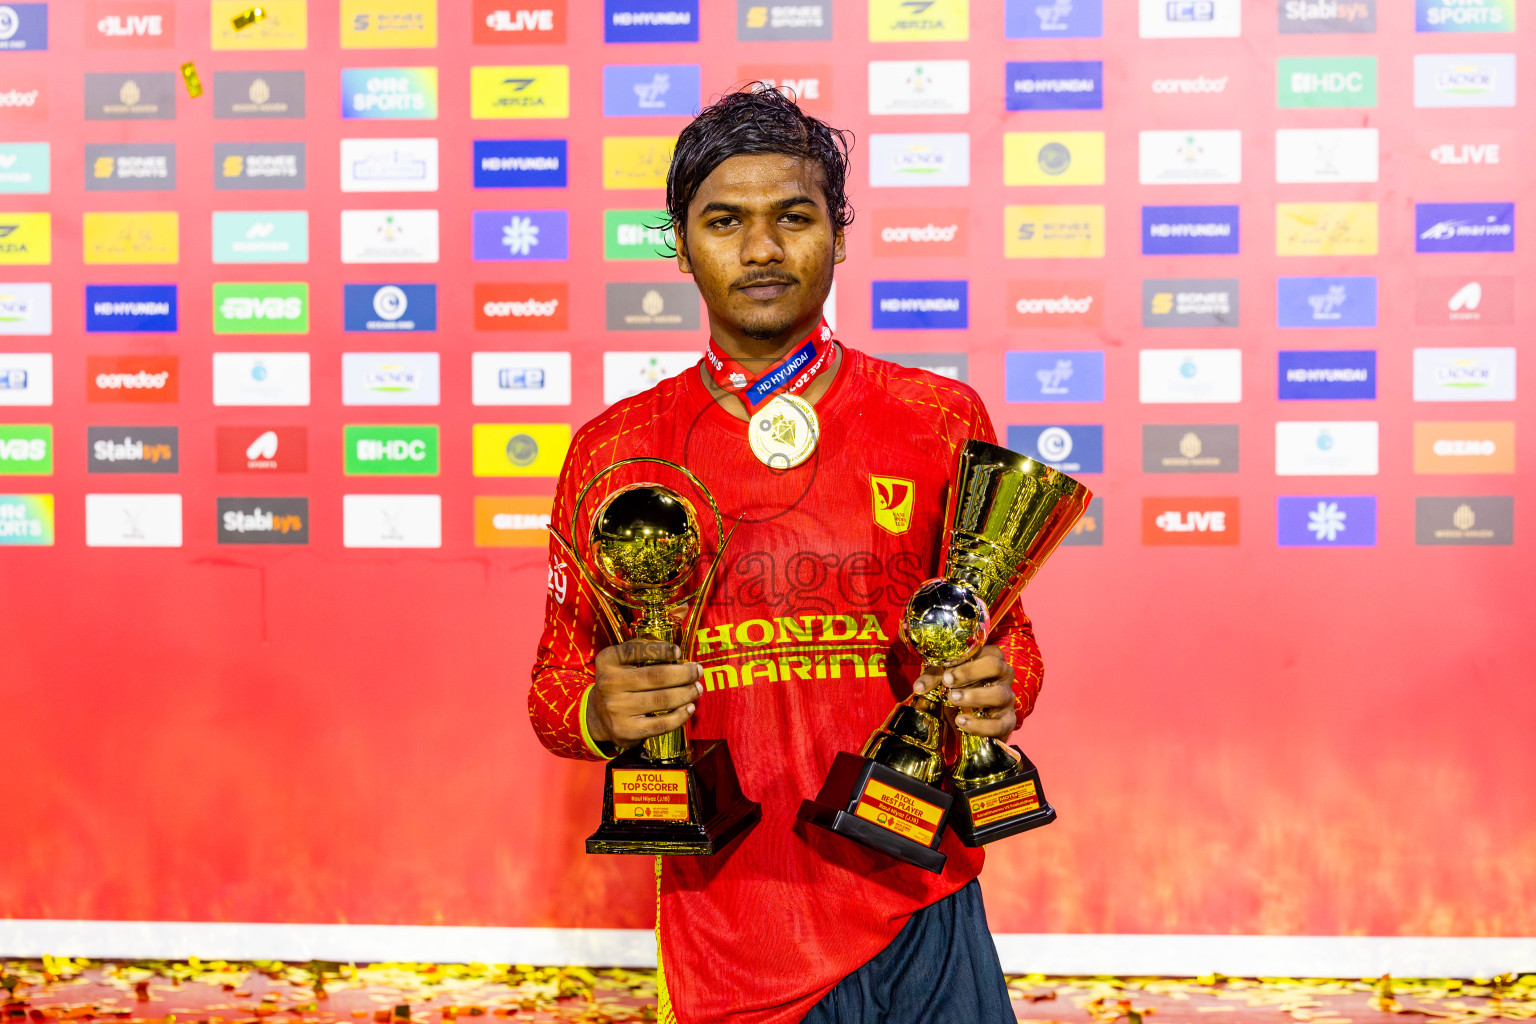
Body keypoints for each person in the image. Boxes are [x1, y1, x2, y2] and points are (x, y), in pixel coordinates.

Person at [529, 86, 1045, 1024]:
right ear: (680, 245)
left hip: (921, 895)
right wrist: (604, 711)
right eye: (725, 221)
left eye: (794, 218)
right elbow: (555, 690)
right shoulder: (615, 449)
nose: (762, 248)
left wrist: (995, 688)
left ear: (839, 236)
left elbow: (1010, 643)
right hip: (730, 932)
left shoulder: (937, 417)